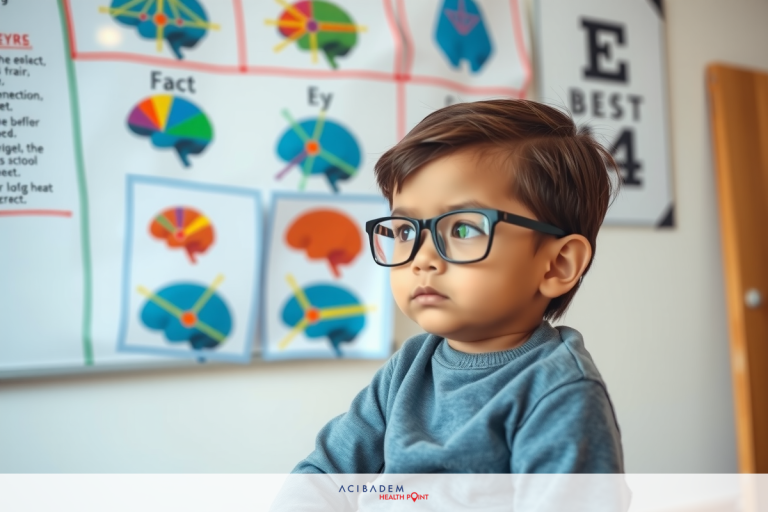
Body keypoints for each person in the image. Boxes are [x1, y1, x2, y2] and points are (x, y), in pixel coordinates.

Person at [292, 99, 625, 474]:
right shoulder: (409, 367)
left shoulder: (558, 392)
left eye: (463, 228)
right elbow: (324, 473)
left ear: (557, 265)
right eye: (405, 231)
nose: (422, 258)